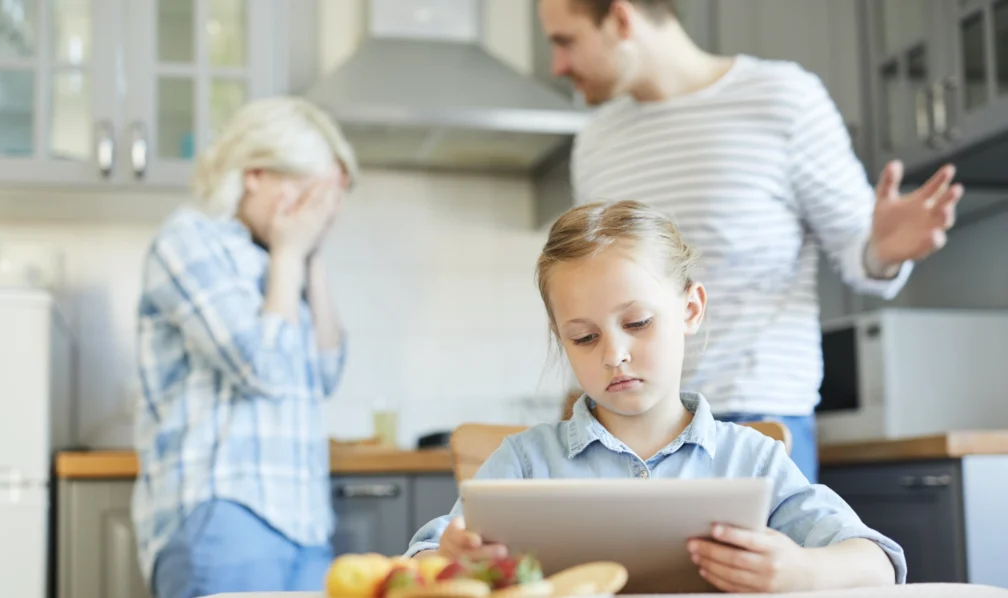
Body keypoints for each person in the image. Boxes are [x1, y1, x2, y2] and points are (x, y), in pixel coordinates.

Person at [537, 0, 964, 483]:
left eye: (564, 41)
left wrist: (882, 250)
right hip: (626, 424)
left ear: (620, 17)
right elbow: (596, 288)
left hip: (755, 414)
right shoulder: (596, 141)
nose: (558, 67)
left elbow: (857, 250)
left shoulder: (783, 98)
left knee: (762, 560)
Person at [405, 200, 906, 593]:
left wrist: (800, 570)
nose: (614, 355)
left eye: (638, 323)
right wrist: (449, 561)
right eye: (584, 337)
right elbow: (419, 562)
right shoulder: (524, 461)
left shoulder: (750, 458)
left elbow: (878, 562)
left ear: (691, 310)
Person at [131, 96, 358, 598]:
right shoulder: (190, 241)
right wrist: (291, 253)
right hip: (226, 514)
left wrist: (311, 257)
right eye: (306, 194)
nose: (315, 213)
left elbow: (326, 372)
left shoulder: (282, 259)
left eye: (326, 202)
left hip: (305, 524)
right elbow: (261, 367)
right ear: (255, 173)